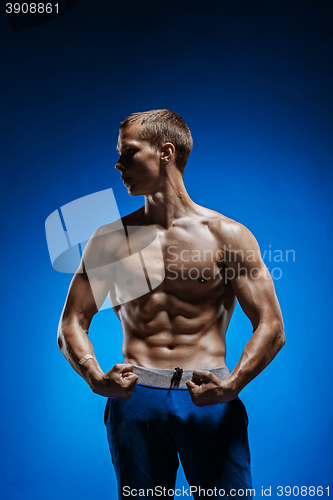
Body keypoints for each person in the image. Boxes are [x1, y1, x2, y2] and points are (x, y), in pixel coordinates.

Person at [57, 109, 285, 499]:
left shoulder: (227, 235)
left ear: (165, 152)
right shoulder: (110, 240)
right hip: (135, 400)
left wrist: (232, 385)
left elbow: (271, 326)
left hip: (209, 396)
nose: (118, 164)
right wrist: (94, 375)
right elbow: (72, 323)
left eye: (129, 153)